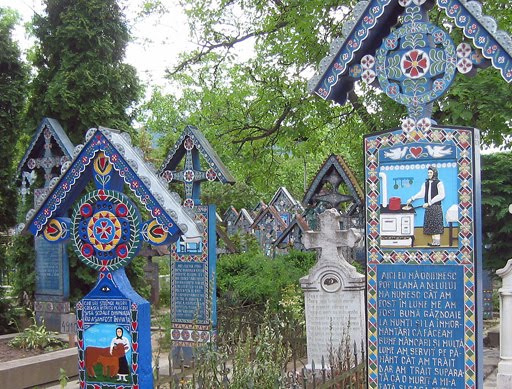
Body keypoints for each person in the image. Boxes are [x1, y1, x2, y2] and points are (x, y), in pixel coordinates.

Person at [406, 166, 445, 246]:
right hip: (428, 207)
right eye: (428, 173)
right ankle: (434, 242)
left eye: (431, 172)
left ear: (434, 173)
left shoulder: (439, 183)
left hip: (436, 207)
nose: (429, 174)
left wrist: (430, 203)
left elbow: (442, 195)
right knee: (431, 225)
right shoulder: (426, 183)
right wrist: (412, 198)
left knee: (436, 225)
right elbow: (422, 193)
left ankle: (437, 243)